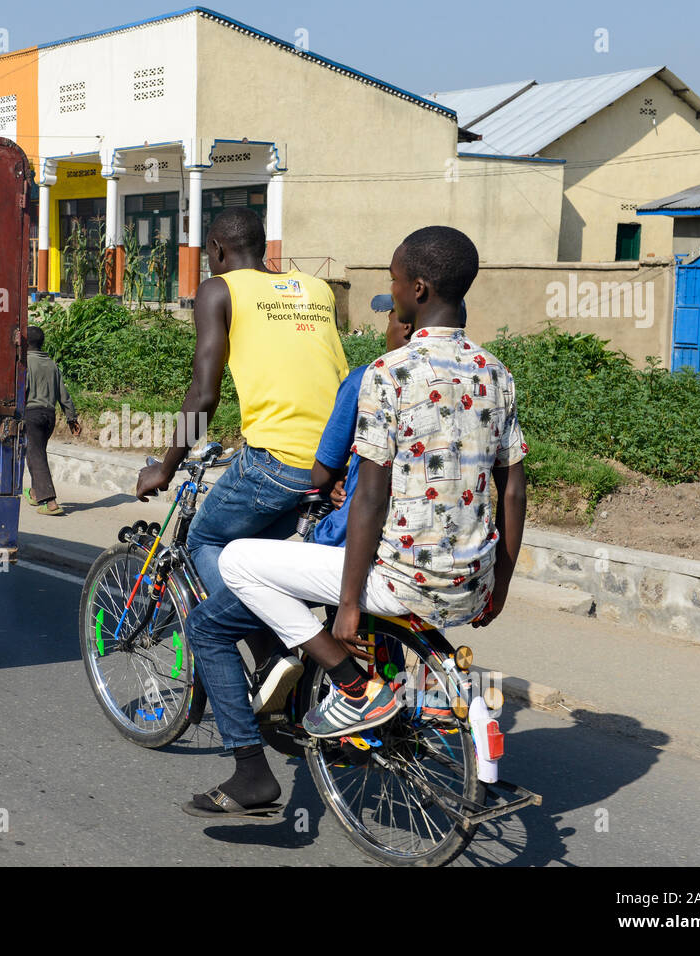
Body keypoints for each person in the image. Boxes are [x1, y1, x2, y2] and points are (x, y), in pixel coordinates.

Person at [209, 225, 527, 812]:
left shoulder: (388, 374)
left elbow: (370, 497)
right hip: (472, 583)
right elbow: (512, 491)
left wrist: (350, 603)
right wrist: (499, 584)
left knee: (235, 561)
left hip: (398, 578)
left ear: (421, 289)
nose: (392, 291)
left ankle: (352, 686)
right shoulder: (496, 373)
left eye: (395, 281)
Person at [132, 207, 348, 817]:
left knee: (207, 544)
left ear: (219, 249)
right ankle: (286, 665)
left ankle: (267, 674)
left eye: (208, 254)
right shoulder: (315, 288)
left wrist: (166, 465)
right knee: (271, 566)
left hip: (275, 462)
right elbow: (327, 371)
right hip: (332, 463)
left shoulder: (218, 290)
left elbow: (204, 391)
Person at [23, 325, 81, 516]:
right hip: (49, 416)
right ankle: (34, 492)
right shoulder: (51, 364)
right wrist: (72, 418)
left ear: (25, 343)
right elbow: (64, 395)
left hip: (31, 415)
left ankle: (50, 502)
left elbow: (22, 390)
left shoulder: (25, 363)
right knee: (35, 453)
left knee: (35, 456)